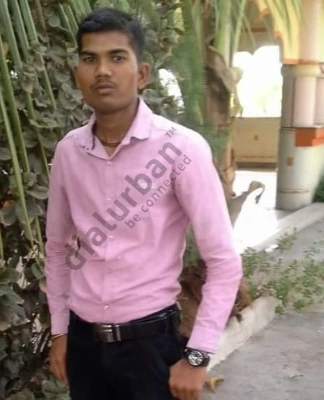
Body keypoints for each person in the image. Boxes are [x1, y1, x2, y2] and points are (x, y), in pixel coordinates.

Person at [45, 7, 243, 400]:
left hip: (150, 351)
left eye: (117, 57)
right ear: (77, 73)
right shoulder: (69, 152)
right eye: (90, 59)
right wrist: (60, 331)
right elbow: (57, 249)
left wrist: (198, 355)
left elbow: (223, 261)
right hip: (84, 349)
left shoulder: (180, 149)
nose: (103, 71)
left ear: (142, 74)